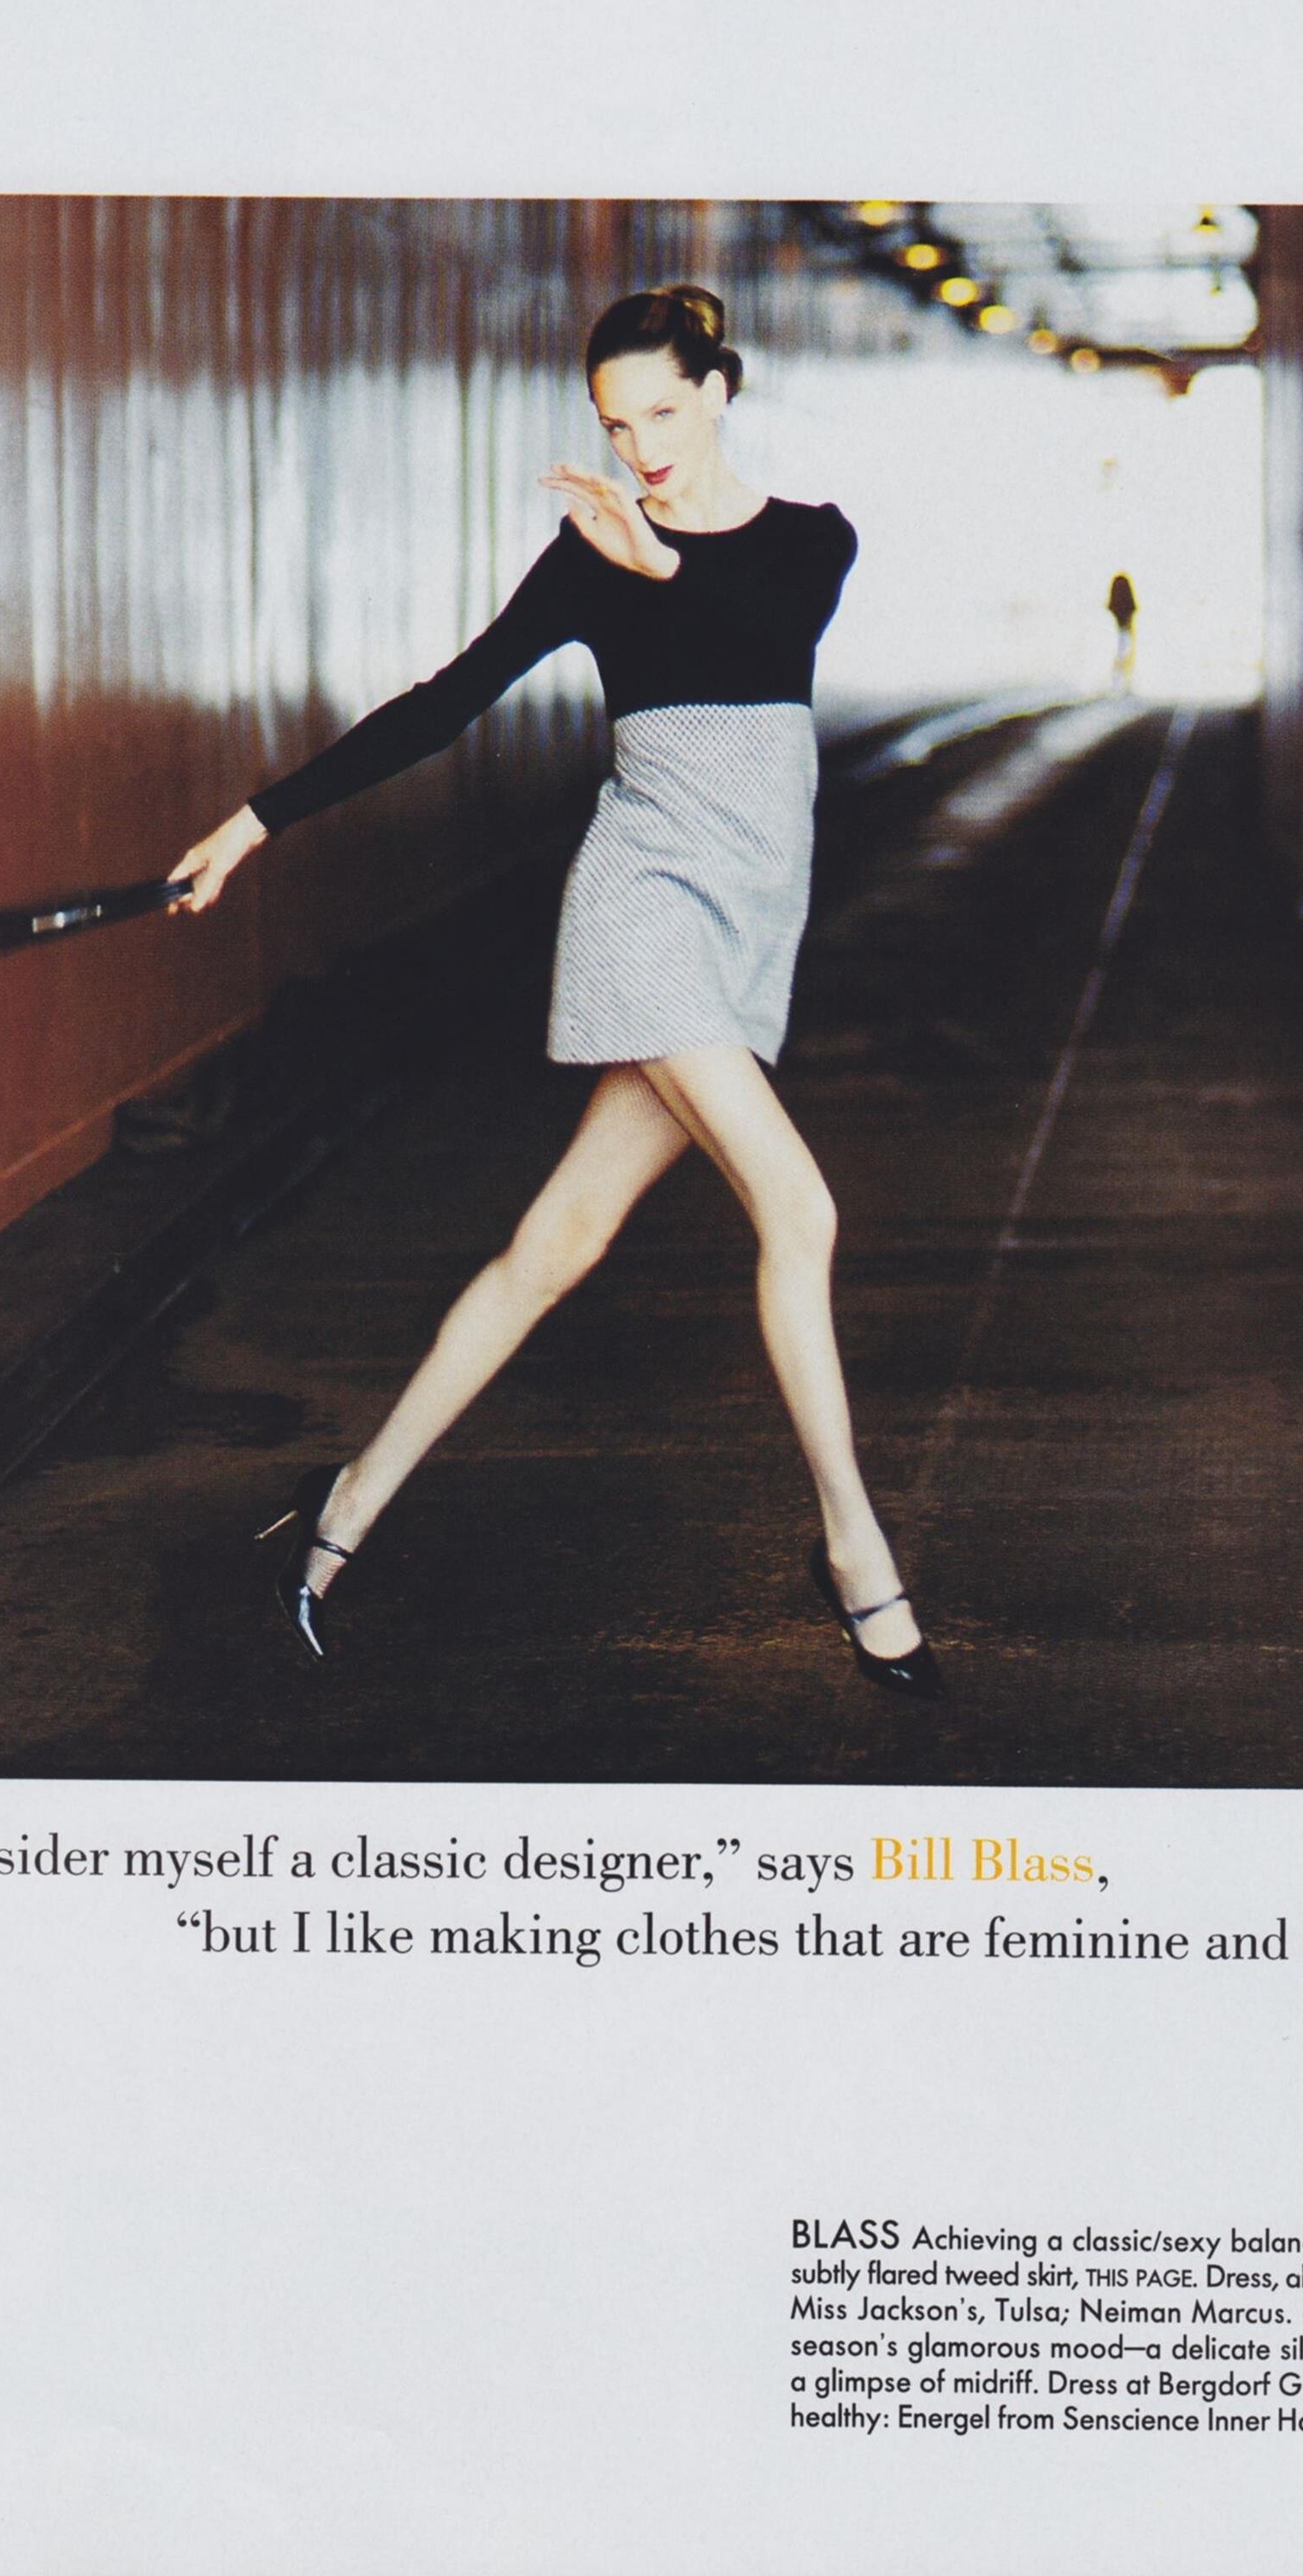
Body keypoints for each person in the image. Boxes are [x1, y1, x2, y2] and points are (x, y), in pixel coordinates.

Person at [167, 285, 937, 1695]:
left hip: (749, 922)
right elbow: (444, 703)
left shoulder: (811, 540)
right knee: (801, 1208)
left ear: (718, 390)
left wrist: (661, 567)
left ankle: (340, 1513)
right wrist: (255, 822)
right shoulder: (589, 556)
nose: (641, 447)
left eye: (663, 411)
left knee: (556, 1243)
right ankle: (856, 1558)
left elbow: (767, 622)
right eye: (615, 424)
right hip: (645, 907)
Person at [1105, 569, 1138, 691]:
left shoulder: (1110, 615)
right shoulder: (1129, 612)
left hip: (1118, 636)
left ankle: (1117, 686)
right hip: (1125, 635)